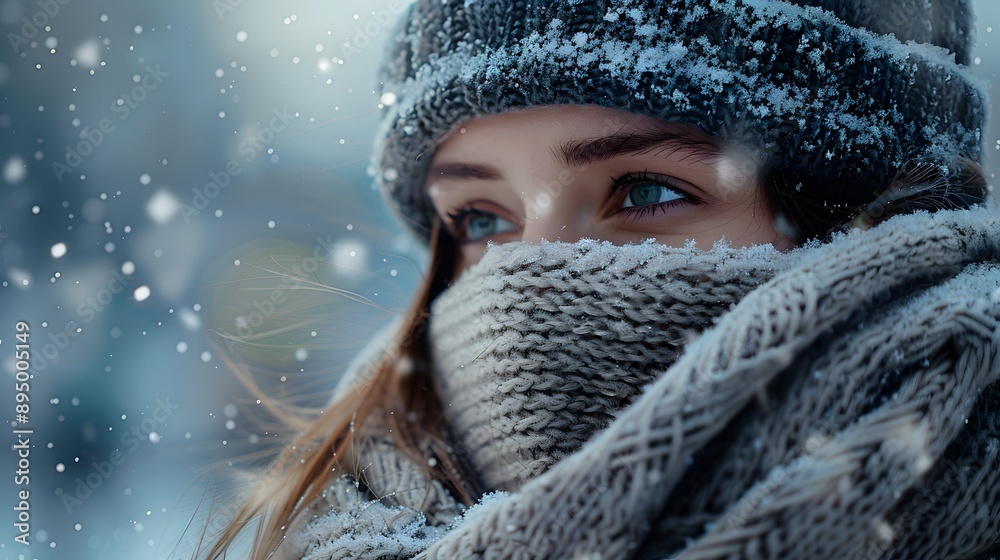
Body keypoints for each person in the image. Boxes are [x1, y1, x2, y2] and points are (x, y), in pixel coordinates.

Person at [206, 0, 1000, 558]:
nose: (532, 275)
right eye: (483, 219)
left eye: (649, 192)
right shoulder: (358, 526)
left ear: (875, 217)